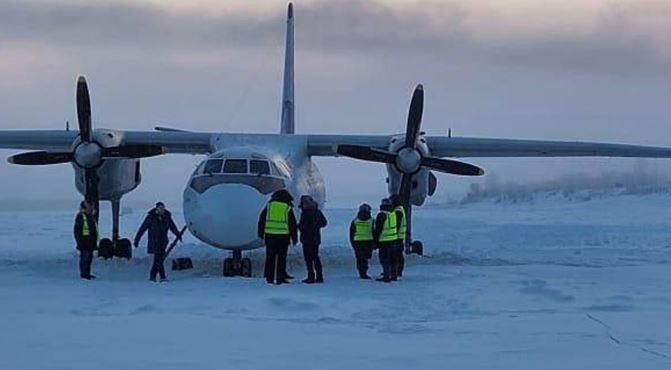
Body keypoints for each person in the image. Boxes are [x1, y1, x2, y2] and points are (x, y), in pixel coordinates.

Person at [133, 202, 182, 282]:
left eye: (163, 208)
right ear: (157, 209)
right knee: (159, 258)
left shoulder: (167, 217)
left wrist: (178, 234)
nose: (162, 210)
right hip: (154, 241)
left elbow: (172, 226)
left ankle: (152, 276)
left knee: (157, 259)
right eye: (160, 208)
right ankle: (163, 277)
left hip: (163, 242)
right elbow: (142, 229)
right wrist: (137, 240)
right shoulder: (151, 217)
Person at [258, 189, 298, 285]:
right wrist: (294, 237)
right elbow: (292, 224)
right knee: (281, 259)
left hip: (270, 237)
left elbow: (262, 219)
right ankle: (280, 278)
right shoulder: (287, 208)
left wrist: (260, 233)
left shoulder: (269, 206)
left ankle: (269, 278)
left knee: (270, 258)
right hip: (283, 238)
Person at [298, 195, 327, 284]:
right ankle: (319, 276)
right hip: (316, 238)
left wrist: (298, 226)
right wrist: (316, 227)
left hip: (306, 238)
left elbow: (303, 226)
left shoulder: (305, 213)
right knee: (315, 257)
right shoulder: (317, 211)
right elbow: (324, 222)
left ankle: (311, 276)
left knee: (308, 259)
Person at [373, 198, 400, 283]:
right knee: (393, 259)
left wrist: (375, 242)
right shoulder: (393, 214)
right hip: (393, 240)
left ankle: (386, 276)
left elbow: (378, 229)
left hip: (384, 241)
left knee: (385, 259)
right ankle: (394, 275)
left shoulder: (382, 215)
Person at [73, 200, 98, 280]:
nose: (92, 208)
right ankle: (84, 274)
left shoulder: (90, 216)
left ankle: (87, 273)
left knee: (89, 259)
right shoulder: (81, 217)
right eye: (90, 206)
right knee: (85, 258)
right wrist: (79, 243)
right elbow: (77, 231)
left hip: (90, 242)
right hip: (84, 242)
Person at [349, 203, 374, 279]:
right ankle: (364, 272)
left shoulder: (355, 221)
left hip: (358, 242)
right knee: (365, 258)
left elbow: (351, 233)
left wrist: (352, 243)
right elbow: (374, 231)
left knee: (359, 259)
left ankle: (361, 273)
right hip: (368, 241)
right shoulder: (372, 220)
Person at [389, 194, 407, 279]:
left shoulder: (397, 211)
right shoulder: (400, 209)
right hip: (400, 236)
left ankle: (397, 271)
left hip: (397, 237)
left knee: (397, 255)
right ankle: (396, 271)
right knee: (398, 255)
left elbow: (397, 224)